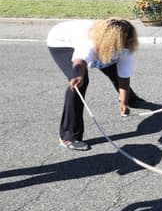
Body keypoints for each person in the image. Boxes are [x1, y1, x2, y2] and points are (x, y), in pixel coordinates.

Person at [47, 18, 141, 150]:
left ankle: (130, 99)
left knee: (113, 68)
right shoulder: (88, 44)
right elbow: (79, 62)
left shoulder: (126, 46)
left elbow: (123, 76)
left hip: (97, 44)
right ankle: (68, 136)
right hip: (61, 42)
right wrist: (78, 75)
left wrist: (123, 102)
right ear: (111, 43)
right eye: (123, 45)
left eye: (129, 43)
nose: (126, 47)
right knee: (80, 84)